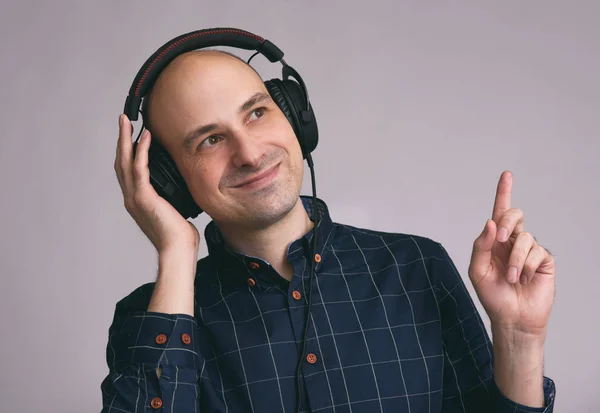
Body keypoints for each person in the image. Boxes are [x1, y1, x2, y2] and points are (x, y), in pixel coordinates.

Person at [103, 48, 556, 413]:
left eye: (257, 113)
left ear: (294, 116)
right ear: (171, 181)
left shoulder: (417, 268)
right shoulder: (154, 320)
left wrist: (520, 339)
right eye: (210, 140)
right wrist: (177, 251)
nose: (249, 152)